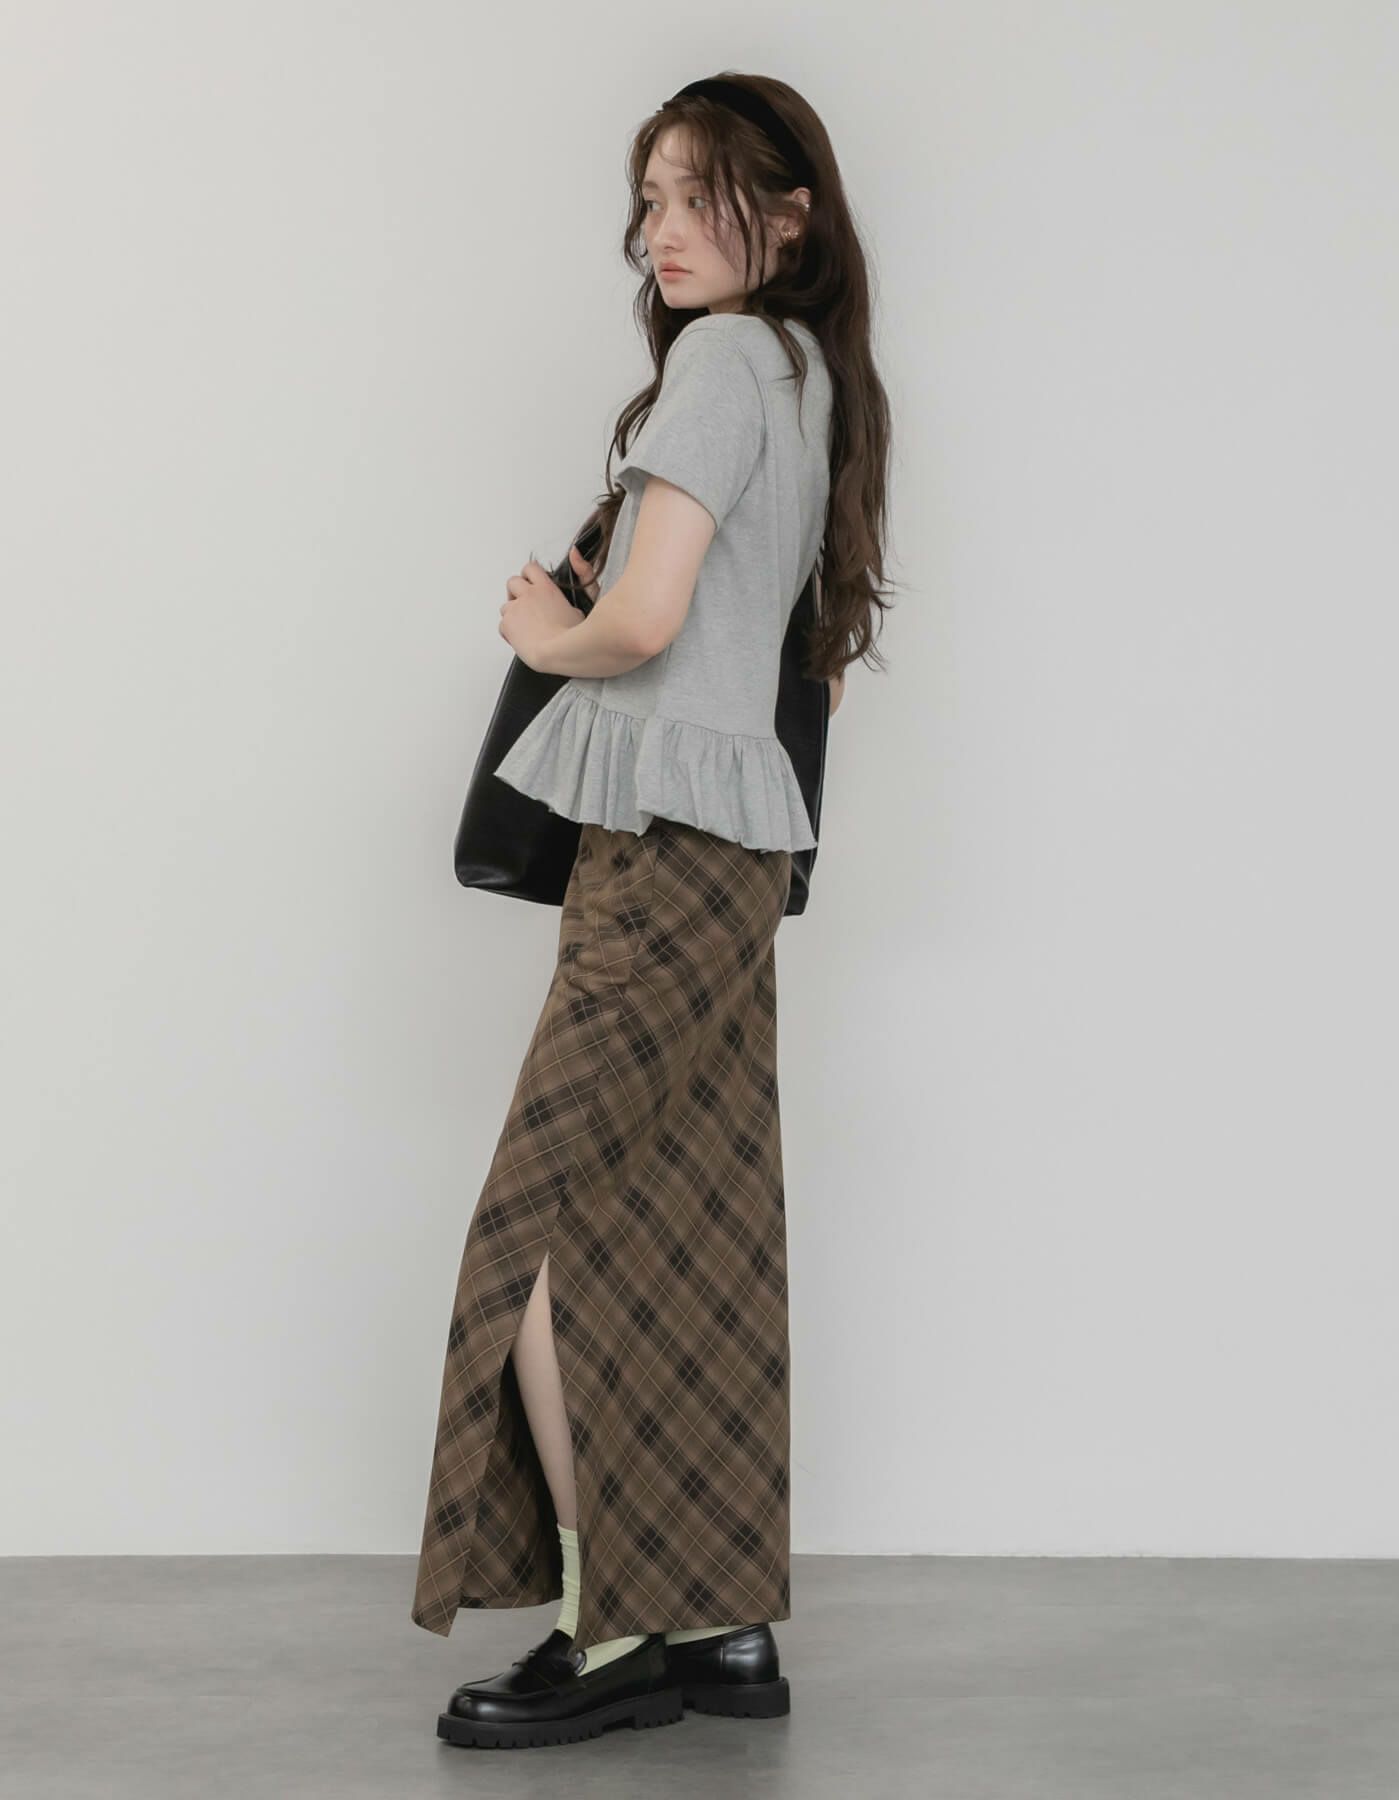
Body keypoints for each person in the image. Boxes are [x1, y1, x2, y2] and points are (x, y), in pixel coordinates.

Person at [410, 70, 894, 1750]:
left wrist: (543, 628)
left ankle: (611, 1625)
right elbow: (786, 649)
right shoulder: (814, 375)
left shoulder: (721, 361)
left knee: (536, 1232)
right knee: (694, 1216)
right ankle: (719, 1621)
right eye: (650, 200)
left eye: (698, 197)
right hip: (735, 850)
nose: (660, 232)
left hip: (664, 850)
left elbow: (644, 622)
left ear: (789, 215)